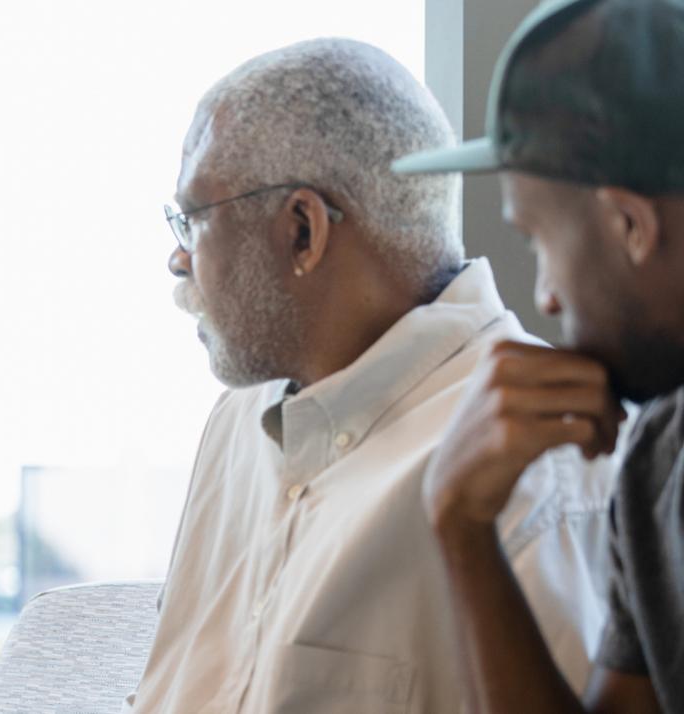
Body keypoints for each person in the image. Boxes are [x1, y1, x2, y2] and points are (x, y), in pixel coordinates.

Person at [132, 39, 613, 712]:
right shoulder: (238, 423)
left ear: (303, 231)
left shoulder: (544, 468)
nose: (178, 260)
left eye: (196, 220)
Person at [396, 0, 684, 710]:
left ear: (629, 224)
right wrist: (461, 524)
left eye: (536, 239)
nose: (547, 297)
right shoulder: (657, 457)